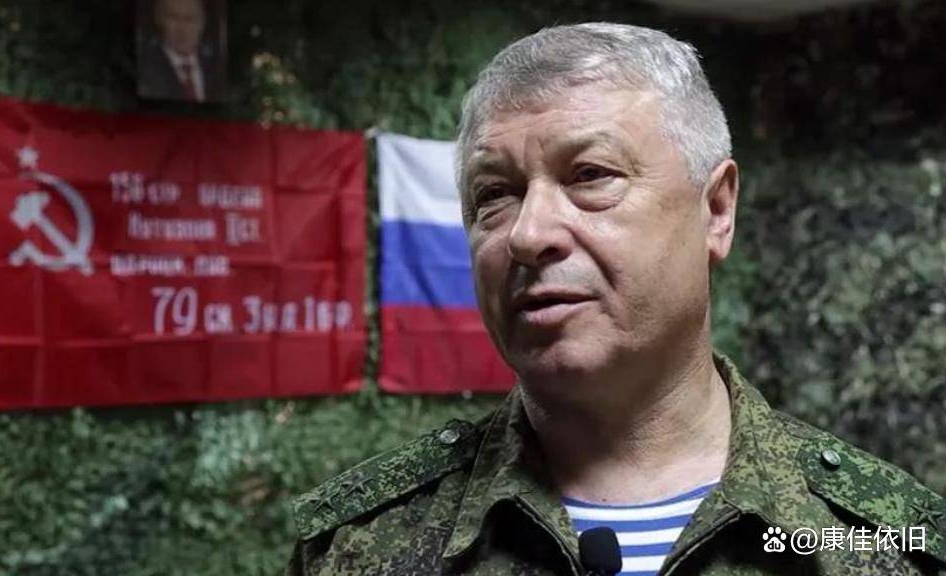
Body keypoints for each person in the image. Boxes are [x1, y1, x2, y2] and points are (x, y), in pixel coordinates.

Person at [287, 23, 946, 575]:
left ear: (716, 211)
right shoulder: (353, 550)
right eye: (494, 194)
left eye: (590, 175)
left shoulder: (883, 544)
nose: (528, 235)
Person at [137, 0, 222, 102]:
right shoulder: (143, 69)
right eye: (174, 18)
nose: (182, 29)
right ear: (159, 20)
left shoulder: (218, 67)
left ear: (202, 23)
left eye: (190, 19)